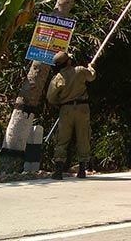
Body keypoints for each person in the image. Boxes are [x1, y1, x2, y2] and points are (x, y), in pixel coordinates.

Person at [46, 51, 96, 180]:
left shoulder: (58, 78)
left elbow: (51, 97)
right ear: (68, 61)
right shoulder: (79, 70)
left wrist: (61, 104)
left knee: (62, 139)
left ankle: (58, 170)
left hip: (66, 109)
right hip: (82, 108)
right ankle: (82, 169)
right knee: (83, 136)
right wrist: (91, 67)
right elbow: (91, 77)